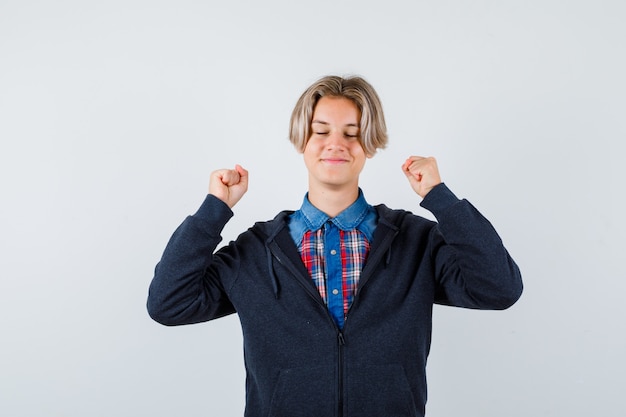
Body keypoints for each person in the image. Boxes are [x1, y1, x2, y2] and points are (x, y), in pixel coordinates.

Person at [147, 75, 523, 417]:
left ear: (370, 144)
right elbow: (169, 303)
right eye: (321, 131)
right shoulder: (256, 250)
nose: (336, 145)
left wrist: (440, 197)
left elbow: (499, 288)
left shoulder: (415, 241)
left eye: (352, 133)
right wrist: (214, 210)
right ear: (302, 141)